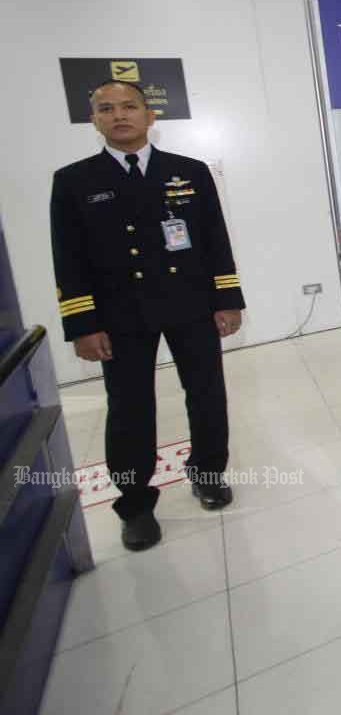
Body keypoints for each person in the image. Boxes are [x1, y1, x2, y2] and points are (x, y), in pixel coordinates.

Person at [50, 81, 244, 551]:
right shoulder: (74, 180)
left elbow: (215, 238)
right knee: (130, 408)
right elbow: (68, 258)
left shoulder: (189, 171)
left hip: (191, 303)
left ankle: (208, 474)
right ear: (94, 119)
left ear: (149, 115)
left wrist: (228, 298)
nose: (119, 115)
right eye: (106, 108)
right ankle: (135, 504)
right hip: (119, 315)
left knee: (206, 393)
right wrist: (82, 324)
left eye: (129, 106)